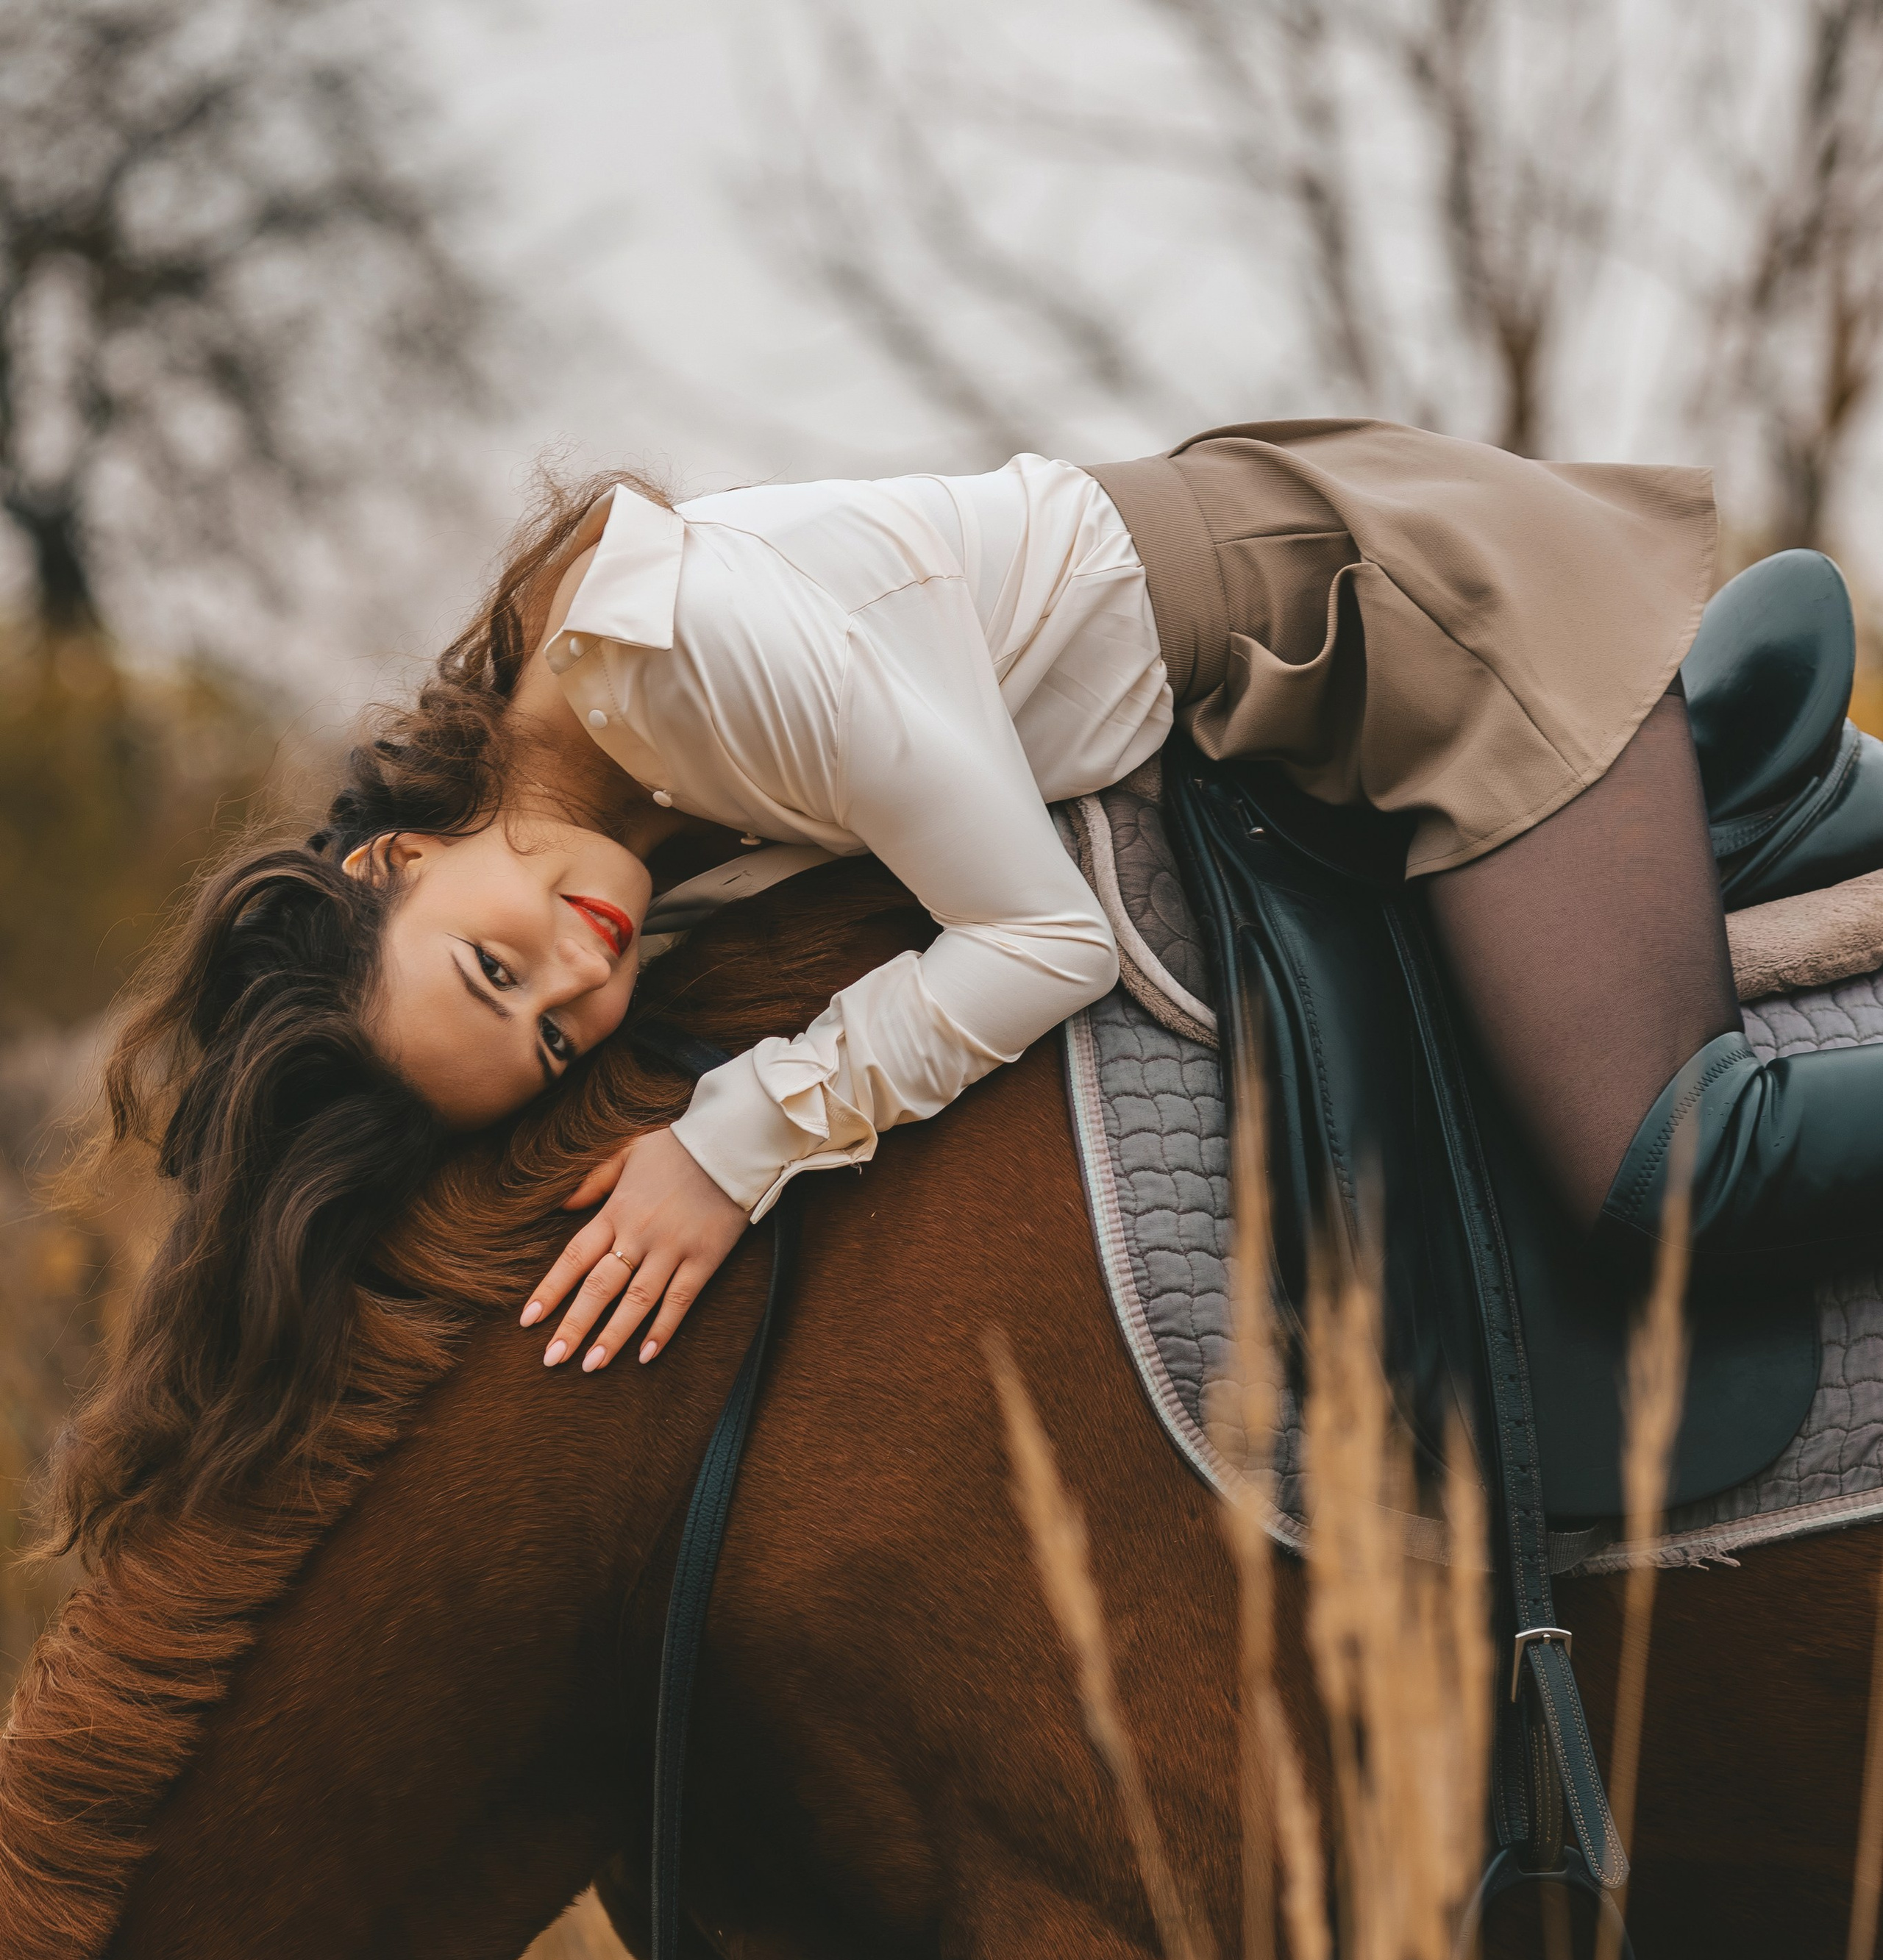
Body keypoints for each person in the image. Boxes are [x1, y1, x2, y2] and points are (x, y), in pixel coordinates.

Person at [53, 423, 1883, 1550]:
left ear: (392, 857)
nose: (576, 987)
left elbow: (1043, 943)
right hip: (1283, 639)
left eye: (491, 963)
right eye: (545, 1042)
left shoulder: (683, 661)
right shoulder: (619, 788)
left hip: (1374, 622)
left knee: (1665, 1168)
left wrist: (736, 1137)